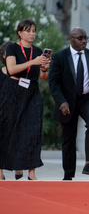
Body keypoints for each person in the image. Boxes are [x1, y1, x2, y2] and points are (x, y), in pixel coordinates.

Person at [48, 27, 89, 181]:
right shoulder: (60, 57)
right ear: (70, 39)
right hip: (67, 101)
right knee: (69, 139)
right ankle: (68, 175)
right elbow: (53, 83)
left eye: (85, 38)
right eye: (80, 38)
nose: (84, 41)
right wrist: (62, 102)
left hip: (88, 98)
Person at [0, 19, 50, 180]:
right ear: (19, 33)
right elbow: (11, 69)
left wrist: (43, 68)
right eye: (28, 30)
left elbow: (42, 78)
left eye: (34, 31)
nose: (32, 34)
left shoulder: (38, 51)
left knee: (33, 130)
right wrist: (33, 62)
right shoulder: (12, 48)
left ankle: (31, 173)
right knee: (7, 129)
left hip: (32, 91)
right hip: (12, 90)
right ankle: (1, 170)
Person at [0, 41, 25, 181]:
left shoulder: (21, 74)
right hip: (2, 113)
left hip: (18, 112)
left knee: (18, 141)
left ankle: (19, 171)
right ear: (4, 55)